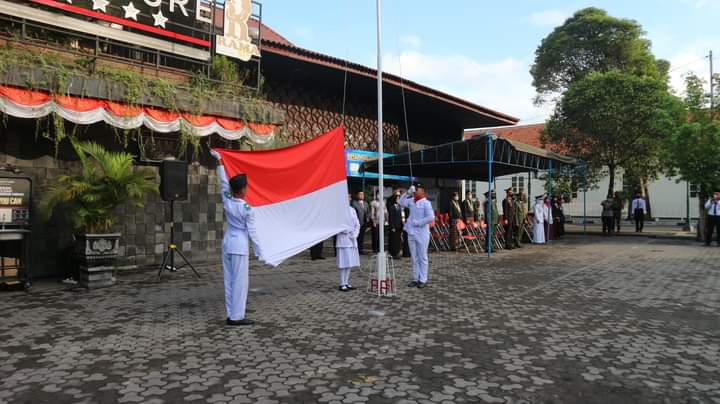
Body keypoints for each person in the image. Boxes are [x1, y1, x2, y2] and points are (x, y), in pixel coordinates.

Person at [212, 151, 261, 326]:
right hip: (239, 244)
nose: (247, 189)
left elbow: (223, 183)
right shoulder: (247, 209)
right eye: (246, 186)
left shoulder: (227, 200)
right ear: (242, 190)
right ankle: (237, 317)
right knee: (240, 282)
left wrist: (219, 162)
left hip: (227, 242)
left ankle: (231, 313)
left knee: (229, 280)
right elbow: (253, 232)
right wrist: (260, 252)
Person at [399, 184, 434, 288]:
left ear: (422, 191)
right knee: (414, 257)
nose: (415, 191)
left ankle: (423, 279)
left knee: (422, 257)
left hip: (422, 233)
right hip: (411, 232)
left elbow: (431, 217)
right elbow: (400, 202)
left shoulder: (426, 203)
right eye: (414, 189)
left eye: (417, 189)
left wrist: (419, 222)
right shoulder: (411, 201)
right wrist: (407, 193)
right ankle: (415, 278)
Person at [336, 194, 361, 291]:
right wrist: (346, 231)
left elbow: (357, 224)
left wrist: (355, 234)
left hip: (352, 240)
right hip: (343, 240)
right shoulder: (339, 211)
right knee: (343, 263)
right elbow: (337, 226)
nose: (348, 199)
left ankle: (346, 282)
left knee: (349, 262)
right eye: (346, 197)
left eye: (349, 197)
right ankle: (342, 283)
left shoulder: (352, 210)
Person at [387, 190, 404, 259]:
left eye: (399, 198)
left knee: (398, 240)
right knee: (393, 240)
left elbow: (401, 217)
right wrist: (392, 227)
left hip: (399, 226)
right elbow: (391, 218)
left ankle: (397, 252)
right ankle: (393, 253)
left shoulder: (400, 207)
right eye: (397, 198)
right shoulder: (392, 207)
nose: (398, 199)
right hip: (394, 226)